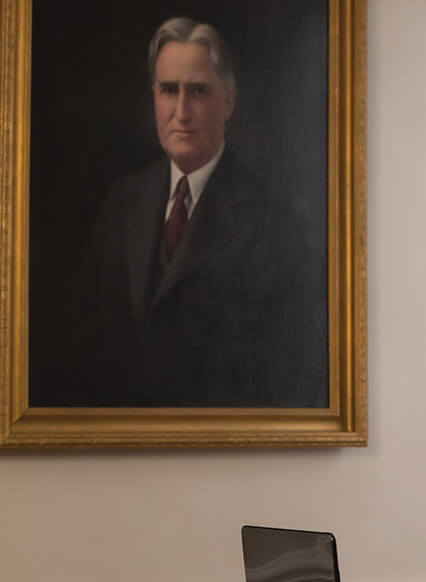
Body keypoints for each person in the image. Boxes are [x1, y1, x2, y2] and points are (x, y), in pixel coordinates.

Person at [43, 17, 326, 408]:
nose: (181, 111)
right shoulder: (122, 202)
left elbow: (271, 371)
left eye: (198, 91)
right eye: (168, 90)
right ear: (153, 97)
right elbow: (85, 343)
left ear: (228, 101)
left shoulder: (273, 224)